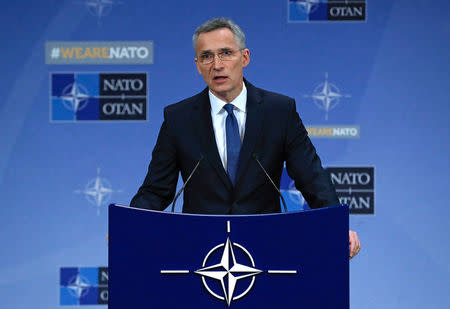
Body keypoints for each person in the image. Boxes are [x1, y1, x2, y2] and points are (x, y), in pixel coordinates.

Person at [130, 17, 361, 259]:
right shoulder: (179, 118)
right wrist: (128, 225)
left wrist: (336, 225)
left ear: (245, 57)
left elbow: (312, 177)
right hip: (200, 253)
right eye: (207, 56)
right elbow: (156, 190)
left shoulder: (279, 112)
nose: (217, 65)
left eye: (226, 53)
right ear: (197, 65)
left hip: (265, 249)